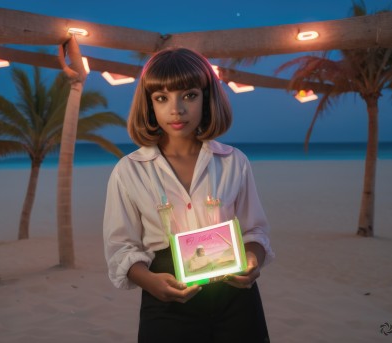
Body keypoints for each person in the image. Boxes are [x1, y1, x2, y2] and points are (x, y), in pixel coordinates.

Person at [103, 47, 274, 343]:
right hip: (166, 292)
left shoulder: (234, 162)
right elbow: (120, 247)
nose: (176, 109)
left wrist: (252, 260)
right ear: (149, 104)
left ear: (207, 99)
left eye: (189, 95)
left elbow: (255, 229)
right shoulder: (129, 171)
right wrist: (151, 282)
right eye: (162, 98)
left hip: (235, 295)